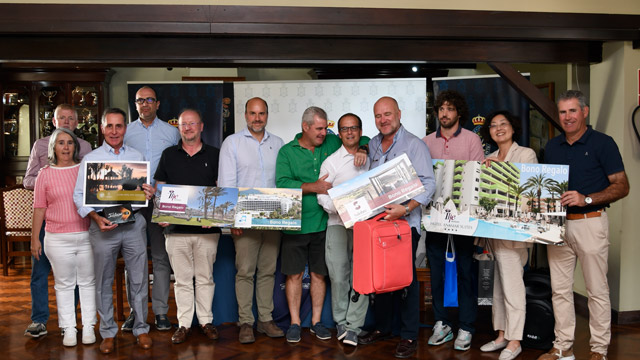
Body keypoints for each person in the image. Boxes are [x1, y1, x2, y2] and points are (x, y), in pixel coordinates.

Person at [538, 90, 629, 360]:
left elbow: (622, 186)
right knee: (560, 290)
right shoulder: (552, 146)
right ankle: (562, 346)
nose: (567, 117)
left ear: (584, 112)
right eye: (563, 112)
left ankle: (599, 350)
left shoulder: (603, 143)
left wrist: (585, 198)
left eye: (573, 111)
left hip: (591, 222)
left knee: (597, 290)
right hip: (557, 226)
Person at [275, 106, 368, 343]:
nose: (323, 133)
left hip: (323, 224)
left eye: (326, 128)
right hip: (294, 222)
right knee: (295, 275)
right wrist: (312, 186)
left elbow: (361, 137)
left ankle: (317, 322)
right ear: (305, 127)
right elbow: (283, 183)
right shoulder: (287, 151)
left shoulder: (330, 142)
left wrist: (365, 148)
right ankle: (295, 323)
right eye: (318, 129)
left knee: (319, 274)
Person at [357, 96, 435, 358]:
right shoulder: (373, 145)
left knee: (405, 280)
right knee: (381, 277)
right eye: (378, 116)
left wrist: (407, 208)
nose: (383, 119)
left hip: (404, 224)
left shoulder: (414, 145)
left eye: (387, 114)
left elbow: (428, 183)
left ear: (399, 114)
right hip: (378, 225)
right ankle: (383, 328)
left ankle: (409, 336)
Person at [73, 108, 154, 354]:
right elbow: (79, 197)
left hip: (133, 224)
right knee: (103, 281)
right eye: (110, 126)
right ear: (102, 128)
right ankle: (107, 333)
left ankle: (141, 329)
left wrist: (149, 194)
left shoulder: (137, 156)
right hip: (103, 226)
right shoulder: (91, 159)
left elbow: (142, 194)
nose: (114, 131)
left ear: (125, 129)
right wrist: (95, 217)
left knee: (139, 279)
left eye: (119, 126)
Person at [218, 97, 285, 344]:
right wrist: (231, 220)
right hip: (244, 220)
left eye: (262, 113)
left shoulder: (278, 143)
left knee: (267, 270)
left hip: (273, 219)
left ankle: (265, 319)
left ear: (267, 115)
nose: (257, 118)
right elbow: (226, 183)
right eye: (253, 113)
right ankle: (246, 321)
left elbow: (283, 181)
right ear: (245, 115)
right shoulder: (232, 143)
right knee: (245, 271)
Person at [23, 104, 92, 338]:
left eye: (70, 118)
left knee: (73, 276)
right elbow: (28, 180)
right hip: (49, 224)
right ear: (54, 121)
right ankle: (39, 320)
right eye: (61, 117)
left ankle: (69, 322)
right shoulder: (40, 146)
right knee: (40, 272)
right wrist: (49, 177)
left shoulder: (86, 148)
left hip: (80, 225)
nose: (65, 121)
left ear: (76, 122)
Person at [154, 109, 221, 345]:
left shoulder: (215, 154)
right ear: (178, 128)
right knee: (182, 280)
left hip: (207, 230)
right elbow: (160, 187)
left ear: (201, 126)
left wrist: (215, 216)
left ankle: (205, 321)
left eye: (193, 124)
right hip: (175, 231)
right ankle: (183, 324)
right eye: (184, 125)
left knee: (205, 278)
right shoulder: (168, 155)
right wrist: (160, 212)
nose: (188, 128)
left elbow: (220, 189)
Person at [423, 89, 484, 351]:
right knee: (436, 272)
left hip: (463, 220)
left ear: (459, 112)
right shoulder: (426, 142)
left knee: (465, 272)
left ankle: (467, 327)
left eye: (450, 109)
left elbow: (479, 177)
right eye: (441, 109)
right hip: (435, 219)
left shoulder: (472, 140)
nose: (444, 114)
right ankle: (442, 323)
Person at [478, 111, 538, 360]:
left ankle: (516, 340)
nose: (498, 128)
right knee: (496, 288)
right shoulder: (488, 157)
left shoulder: (526, 154)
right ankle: (502, 335)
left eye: (504, 124)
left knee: (513, 287)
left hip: (514, 232)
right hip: (491, 232)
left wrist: (497, 173)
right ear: (489, 132)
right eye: (493, 125)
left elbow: (530, 191)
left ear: (513, 128)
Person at [122, 85, 180, 332]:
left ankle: (161, 313)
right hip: (131, 203)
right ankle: (136, 313)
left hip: (160, 201)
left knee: (161, 257)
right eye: (139, 100)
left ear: (157, 104)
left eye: (149, 100)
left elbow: (176, 168)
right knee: (133, 260)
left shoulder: (172, 132)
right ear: (135, 105)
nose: (144, 104)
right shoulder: (125, 132)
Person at [316, 113, 370, 347]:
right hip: (337, 224)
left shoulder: (371, 157)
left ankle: (354, 326)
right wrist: (341, 207)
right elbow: (322, 196)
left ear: (360, 131)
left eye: (354, 128)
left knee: (362, 276)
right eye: (345, 129)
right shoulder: (331, 162)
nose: (350, 132)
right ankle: (340, 321)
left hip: (365, 226)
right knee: (338, 275)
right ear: (338, 134)